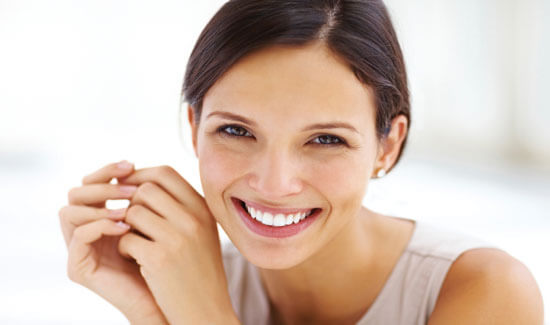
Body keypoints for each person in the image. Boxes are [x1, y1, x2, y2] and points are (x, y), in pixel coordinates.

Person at [58, 0, 544, 324]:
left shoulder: (486, 293)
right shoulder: (185, 278)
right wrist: (148, 312)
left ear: (387, 146)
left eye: (326, 140)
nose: (275, 183)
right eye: (236, 131)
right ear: (193, 128)